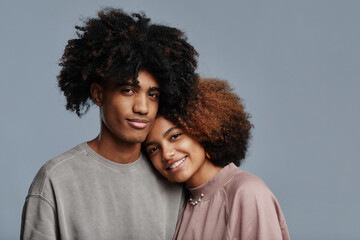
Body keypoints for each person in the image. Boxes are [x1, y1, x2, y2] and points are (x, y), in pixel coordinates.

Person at [21, 8, 198, 239]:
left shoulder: (170, 176)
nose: (142, 107)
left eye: (152, 94)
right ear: (98, 94)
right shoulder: (55, 180)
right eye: (128, 90)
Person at [144, 78, 290, 240]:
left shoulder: (247, 192)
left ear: (202, 129)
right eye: (154, 149)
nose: (166, 154)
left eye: (175, 136)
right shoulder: (180, 203)